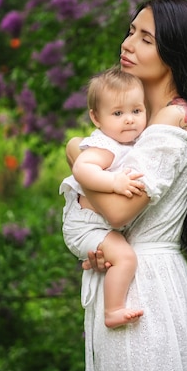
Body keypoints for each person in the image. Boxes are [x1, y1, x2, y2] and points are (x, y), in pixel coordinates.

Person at [67, 0, 187, 371]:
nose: (127, 43)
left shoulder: (175, 117)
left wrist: (75, 154)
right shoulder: (135, 123)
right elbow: (116, 218)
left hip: (147, 287)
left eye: (146, 38)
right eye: (131, 31)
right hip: (129, 278)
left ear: (176, 52)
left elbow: (120, 211)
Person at [60, 66, 147, 328]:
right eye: (118, 113)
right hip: (86, 225)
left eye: (137, 111)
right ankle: (113, 311)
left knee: (122, 253)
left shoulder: (131, 140)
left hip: (97, 223)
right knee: (126, 258)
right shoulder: (105, 146)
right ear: (96, 118)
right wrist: (114, 181)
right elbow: (82, 168)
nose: (129, 119)